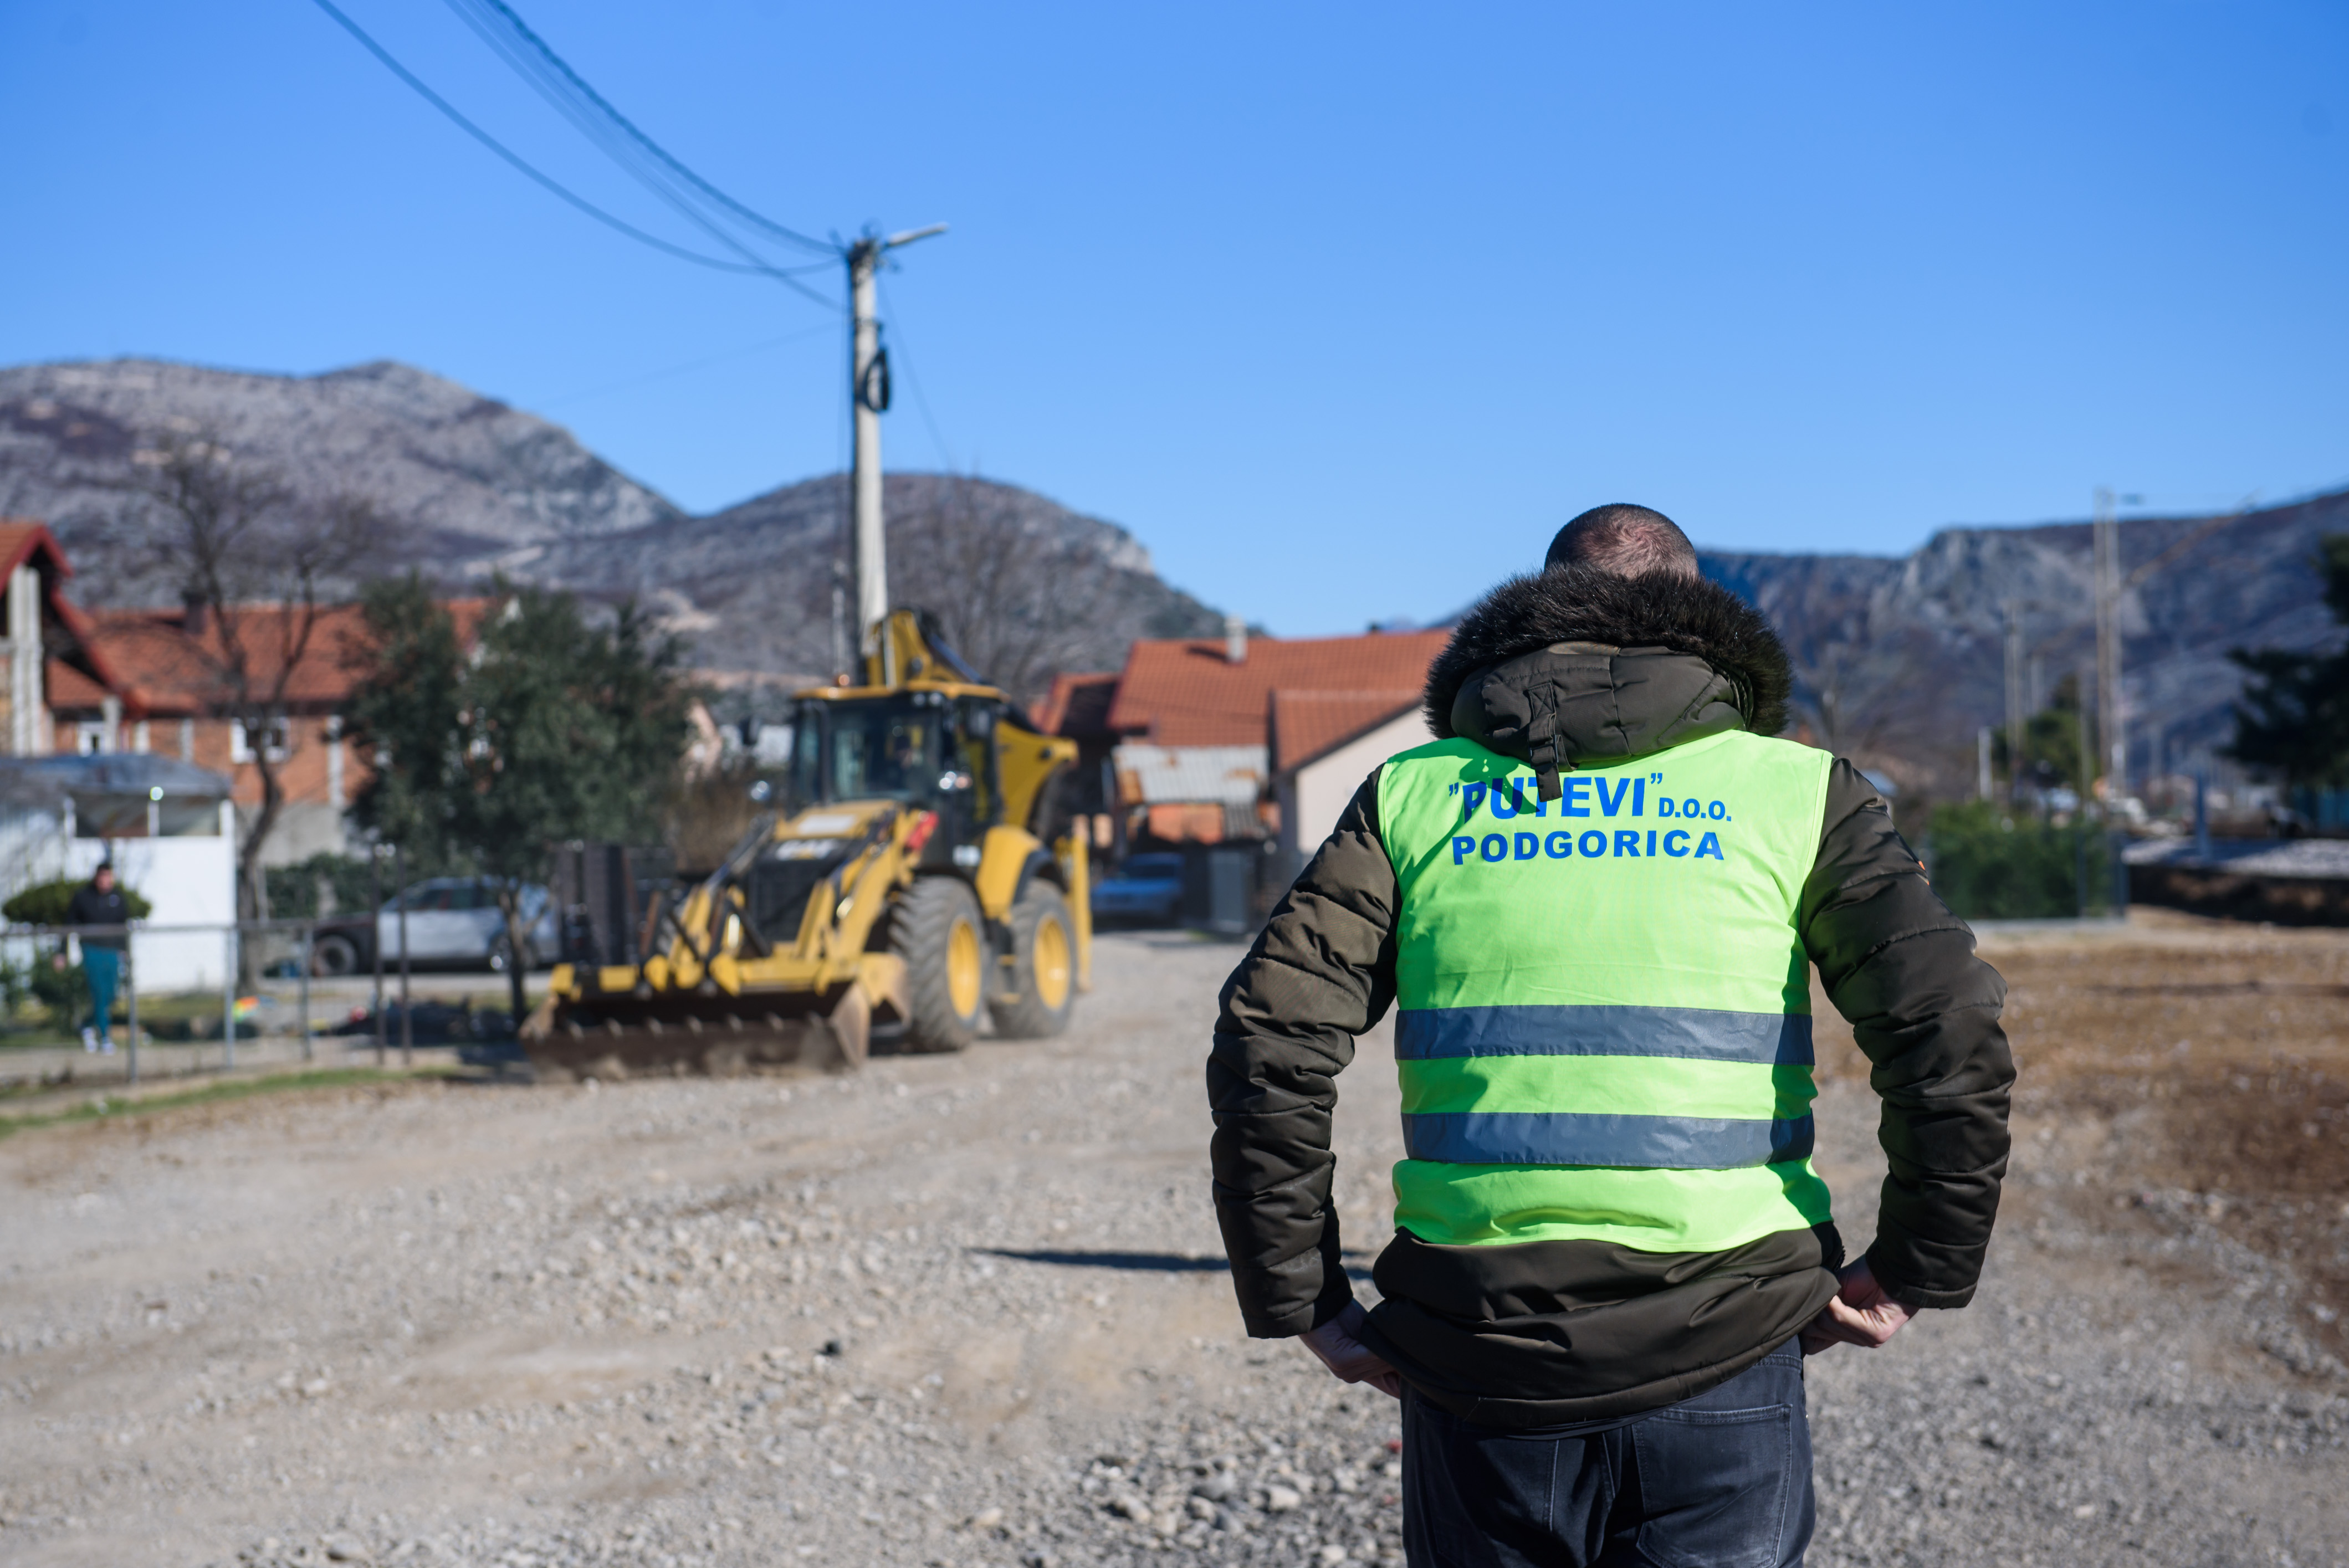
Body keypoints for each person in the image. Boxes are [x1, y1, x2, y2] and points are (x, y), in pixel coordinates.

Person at [1208, 504, 2014, 1567]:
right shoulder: (1790, 791)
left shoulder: (1415, 795)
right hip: (1725, 1334)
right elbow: (1943, 1021)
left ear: (1540, 609)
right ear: (1695, 614)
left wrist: (1301, 1299)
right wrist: (1913, 1266)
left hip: (1480, 1351)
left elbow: (1270, 1035)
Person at [66, 861, 131, 1055]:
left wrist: (125, 950)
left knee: (112, 994)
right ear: (96, 877)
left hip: (112, 951)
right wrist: (61, 952)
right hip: (91, 950)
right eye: (102, 876)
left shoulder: (118, 898)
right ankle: (105, 1038)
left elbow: (124, 927)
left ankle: (87, 1025)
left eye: (108, 876)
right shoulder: (83, 897)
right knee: (99, 993)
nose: (105, 881)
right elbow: (68, 924)